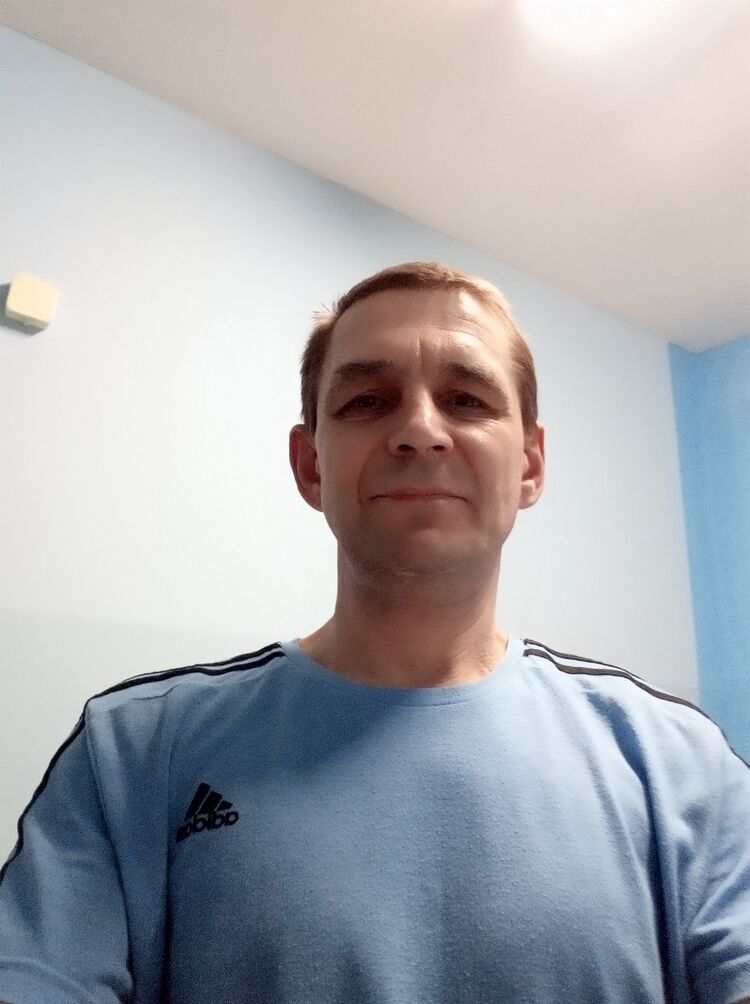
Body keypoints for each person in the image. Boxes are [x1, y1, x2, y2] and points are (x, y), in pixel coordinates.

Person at [0, 261, 749, 1003]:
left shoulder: (680, 767)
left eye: (466, 399)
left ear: (530, 464)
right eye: (367, 400)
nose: (419, 430)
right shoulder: (131, 755)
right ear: (310, 466)